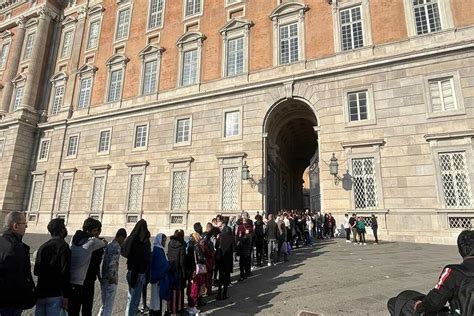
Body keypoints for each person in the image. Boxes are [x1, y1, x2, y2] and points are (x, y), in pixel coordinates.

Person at [388, 230, 474, 316]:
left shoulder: (453, 272)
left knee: (397, 304)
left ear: (460, 249)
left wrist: (419, 306)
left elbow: (434, 302)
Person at [68, 218, 107, 316]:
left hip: (73, 280)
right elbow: (105, 243)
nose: (97, 233)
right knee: (86, 309)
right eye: (96, 230)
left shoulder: (74, 238)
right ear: (90, 230)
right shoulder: (93, 242)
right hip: (86, 280)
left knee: (73, 310)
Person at [0, 211, 35, 316]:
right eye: (24, 223)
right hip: (10, 302)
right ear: (15, 226)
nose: (26, 226)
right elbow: (18, 277)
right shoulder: (16, 247)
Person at [34, 218, 71, 316]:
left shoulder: (42, 247)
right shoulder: (64, 247)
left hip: (41, 293)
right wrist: (66, 296)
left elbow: (36, 271)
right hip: (55, 294)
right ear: (62, 230)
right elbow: (65, 273)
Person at [121, 219, 151, 316]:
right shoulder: (145, 240)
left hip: (130, 271)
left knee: (130, 298)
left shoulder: (131, 238)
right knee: (135, 301)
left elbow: (124, 251)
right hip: (139, 273)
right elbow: (147, 257)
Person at [98, 228, 127, 316]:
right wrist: (112, 278)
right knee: (108, 306)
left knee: (104, 304)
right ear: (121, 237)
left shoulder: (109, 244)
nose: (123, 242)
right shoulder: (117, 247)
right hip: (111, 279)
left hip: (104, 277)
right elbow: (112, 263)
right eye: (124, 239)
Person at [185, 224, 207, 315]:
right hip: (195, 270)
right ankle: (192, 307)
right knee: (194, 288)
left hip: (191, 270)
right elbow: (201, 259)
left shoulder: (190, 245)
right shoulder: (196, 246)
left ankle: (192, 306)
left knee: (192, 288)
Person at [150, 233, 170, 316]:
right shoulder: (158, 251)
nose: (164, 243)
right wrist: (168, 265)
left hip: (157, 278)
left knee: (155, 298)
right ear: (159, 240)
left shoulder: (158, 249)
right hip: (158, 278)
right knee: (157, 298)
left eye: (165, 241)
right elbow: (161, 265)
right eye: (163, 241)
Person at [167, 229, 186, 315]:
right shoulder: (181, 246)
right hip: (178, 270)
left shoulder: (169, 243)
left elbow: (168, 254)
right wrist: (184, 273)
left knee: (171, 289)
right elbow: (182, 261)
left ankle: (171, 308)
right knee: (179, 289)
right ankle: (178, 307)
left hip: (170, 268)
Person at [215, 215, 234, 300]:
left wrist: (219, 238)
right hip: (223, 257)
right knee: (222, 277)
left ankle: (223, 294)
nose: (217, 222)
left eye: (218, 221)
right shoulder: (223, 231)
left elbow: (221, 244)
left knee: (224, 276)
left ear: (222, 222)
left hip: (225, 257)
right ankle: (220, 294)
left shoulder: (226, 231)